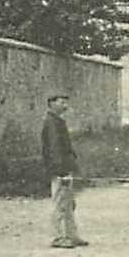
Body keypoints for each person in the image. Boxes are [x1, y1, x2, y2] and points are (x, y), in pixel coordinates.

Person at [41, 93, 88, 248]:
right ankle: (59, 237)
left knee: (68, 203)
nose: (65, 106)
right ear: (52, 103)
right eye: (62, 102)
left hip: (65, 168)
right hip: (60, 170)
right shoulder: (52, 123)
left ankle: (71, 235)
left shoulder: (57, 121)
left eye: (66, 103)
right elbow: (55, 149)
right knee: (61, 203)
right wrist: (60, 170)